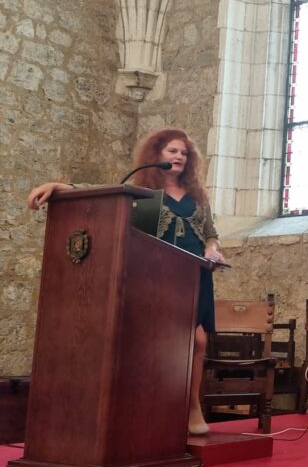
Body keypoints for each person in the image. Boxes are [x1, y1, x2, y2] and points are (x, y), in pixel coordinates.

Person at [27, 128, 227, 437]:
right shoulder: (141, 190)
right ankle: (156, 408)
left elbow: (210, 233)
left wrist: (213, 249)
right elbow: (105, 195)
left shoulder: (198, 196)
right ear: (157, 154)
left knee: (197, 342)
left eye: (184, 153)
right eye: (172, 151)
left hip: (194, 275)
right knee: (160, 344)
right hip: (156, 275)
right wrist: (59, 187)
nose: (179, 157)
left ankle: (191, 407)